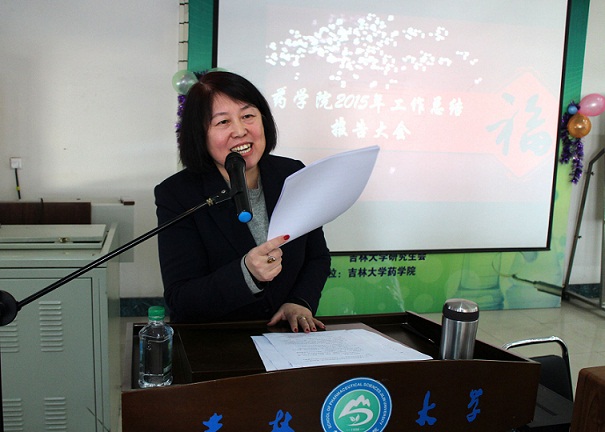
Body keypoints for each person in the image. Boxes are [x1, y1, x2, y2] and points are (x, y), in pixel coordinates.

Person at [155, 71, 331, 333]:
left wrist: (299, 301)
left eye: (248, 116)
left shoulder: (292, 174)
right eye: (223, 121)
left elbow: (317, 256)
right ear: (199, 134)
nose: (240, 131)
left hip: (285, 335)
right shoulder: (178, 194)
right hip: (216, 339)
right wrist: (246, 273)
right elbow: (181, 298)